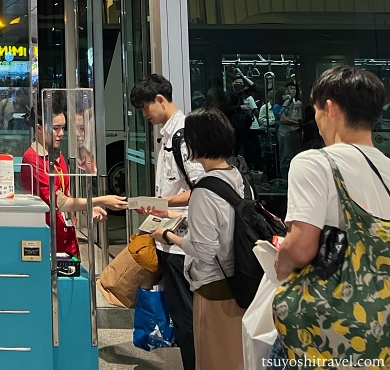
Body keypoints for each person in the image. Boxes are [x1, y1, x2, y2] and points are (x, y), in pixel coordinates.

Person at [274, 67, 390, 361]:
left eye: (316, 111)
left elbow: (301, 248)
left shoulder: (314, 163)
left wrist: (281, 260)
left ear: (330, 108)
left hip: (333, 326)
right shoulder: (387, 168)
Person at [153, 107, 248, 370]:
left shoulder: (203, 190)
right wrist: (173, 214)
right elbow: (222, 223)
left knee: (211, 358)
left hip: (213, 286)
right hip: (237, 280)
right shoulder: (235, 176)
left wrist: (168, 236)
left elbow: (204, 250)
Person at [130, 74, 205, 370]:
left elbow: (201, 188)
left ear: (160, 99)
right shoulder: (168, 135)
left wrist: (161, 204)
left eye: (145, 106)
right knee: (180, 315)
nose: (144, 114)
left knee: (186, 318)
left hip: (182, 243)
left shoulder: (183, 136)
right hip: (169, 239)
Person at [20, 105, 127, 257]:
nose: (61, 133)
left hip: (65, 236)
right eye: (55, 128)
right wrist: (100, 201)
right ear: (39, 129)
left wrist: (87, 209)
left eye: (63, 128)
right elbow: (59, 202)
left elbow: (65, 194)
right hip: (49, 239)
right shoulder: (33, 158)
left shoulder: (56, 155)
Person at [277, 81, 302, 178]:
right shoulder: (286, 102)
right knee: (285, 157)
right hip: (284, 132)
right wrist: (292, 122)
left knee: (292, 156)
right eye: (290, 89)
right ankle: (284, 179)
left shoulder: (298, 103)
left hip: (293, 132)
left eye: (294, 89)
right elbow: (281, 118)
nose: (293, 91)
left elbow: (298, 120)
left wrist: (292, 122)